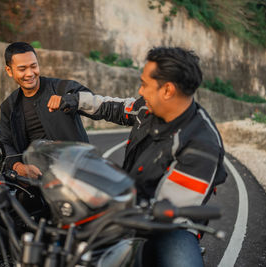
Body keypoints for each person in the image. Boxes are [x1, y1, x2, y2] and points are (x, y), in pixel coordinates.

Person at [48, 46, 227, 266]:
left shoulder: (202, 144)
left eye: (144, 84)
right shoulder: (147, 108)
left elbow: (165, 205)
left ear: (168, 90)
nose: (140, 91)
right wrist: (76, 101)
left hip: (169, 222)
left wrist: (107, 202)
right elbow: (112, 107)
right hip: (126, 201)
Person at [0, 42, 91, 178]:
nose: (30, 73)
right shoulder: (9, 106)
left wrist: (68, 100)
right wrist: (19, 167)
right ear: (9, 71)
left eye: (33, 66)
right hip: (39, 180)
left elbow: (90, 99)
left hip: (76, 172)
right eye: (22, 69)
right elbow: (6, 143)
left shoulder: (61, 88)